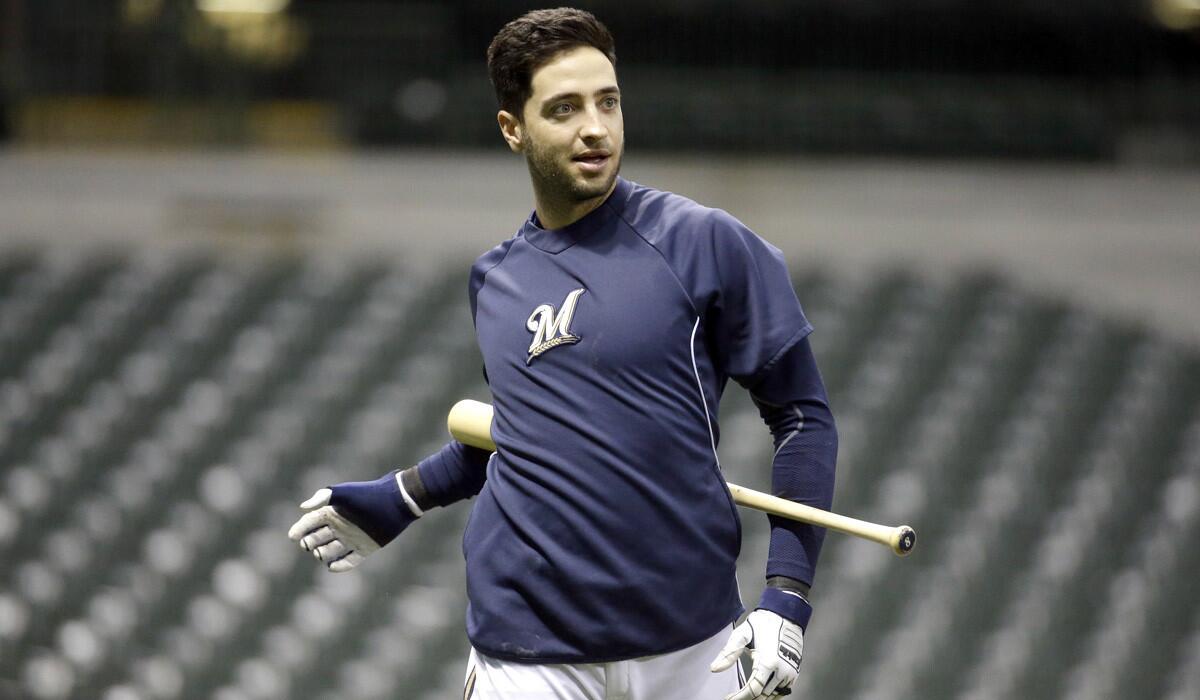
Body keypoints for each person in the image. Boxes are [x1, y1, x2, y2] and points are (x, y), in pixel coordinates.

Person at [288, 8, 837, 700]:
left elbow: (802, 417)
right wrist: (404, 495)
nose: (596, 128)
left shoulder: (708, 243)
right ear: (512, 128)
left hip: (696, 649)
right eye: (565, 108)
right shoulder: (496, 279)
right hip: (525, 650)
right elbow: (531, 435)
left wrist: (785, 596)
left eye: (608, 102)